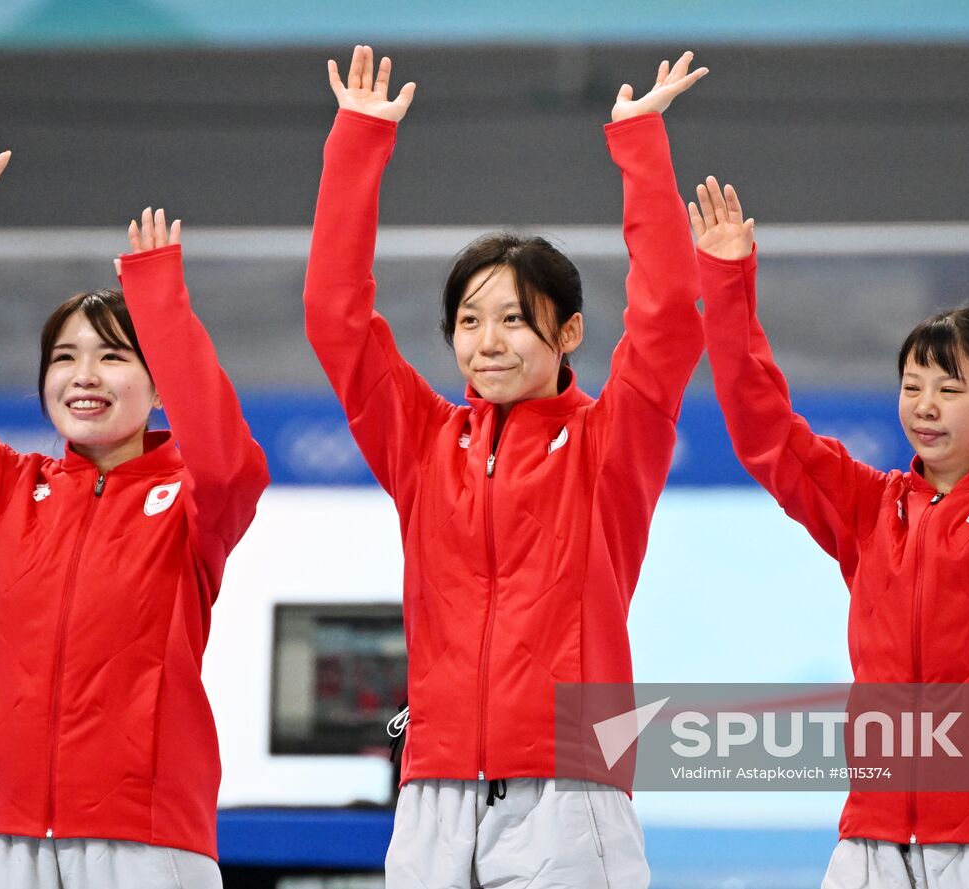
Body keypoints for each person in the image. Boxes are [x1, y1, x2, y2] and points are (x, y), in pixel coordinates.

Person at [303, 44, 707, 888]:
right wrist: (357, 145)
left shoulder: (610, 442)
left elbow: (668, 316)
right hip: (434, 788)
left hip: (571, 785)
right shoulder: (423, 442)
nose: (487, 341)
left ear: (568, 335)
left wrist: (638, 146)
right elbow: (337, 320)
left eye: (516, 319)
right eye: (470, 319)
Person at [690, 172, 969, 887]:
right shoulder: (869, 510)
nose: (925, 406)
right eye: (912, 386)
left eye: (950, 389)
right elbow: (764, 429)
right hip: (870, 839)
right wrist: (726, 279)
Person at [0, 138, 268, 889]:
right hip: (14, 839)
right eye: (64, 357)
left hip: (147, 844)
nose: (84, 376)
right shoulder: (2, 490)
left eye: (112, 356)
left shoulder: (192, 502)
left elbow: (231, 457)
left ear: (157, 382)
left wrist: (161, 303)